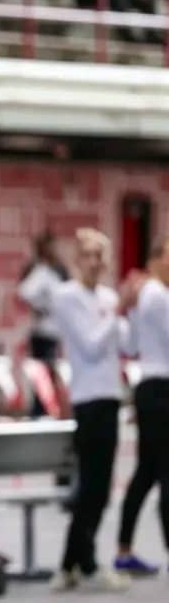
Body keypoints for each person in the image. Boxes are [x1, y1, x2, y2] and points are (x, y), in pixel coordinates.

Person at [50, 228, 142, 592]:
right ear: (77, 260)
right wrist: (117, 310)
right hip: (87, 399)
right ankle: (77, 563)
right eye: (87, 255)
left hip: (110, 396)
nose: (94, 262)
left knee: (102, 490)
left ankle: (76, 563)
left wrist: (130, 309)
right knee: (90, 486)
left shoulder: (107, 297)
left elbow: (129, 345)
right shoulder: (66, 296)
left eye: (99, 256)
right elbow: (89, 346)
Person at [115, 239, 169, 573]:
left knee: (146, 472)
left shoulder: (145, 295)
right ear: (156, 259)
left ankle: (124, 549)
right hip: (161, 388)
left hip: (150, 387)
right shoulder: (158, 295)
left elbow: (133, 345)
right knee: (165, 471)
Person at [17, 231, 70, 417]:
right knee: (41, 375)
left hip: (56, 331)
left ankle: (53, 410)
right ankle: (39, 411)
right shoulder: (39, 270)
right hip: (42, 332)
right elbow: (24, 292)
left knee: (55, 372)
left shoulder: (60, 271)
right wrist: (40, 306)